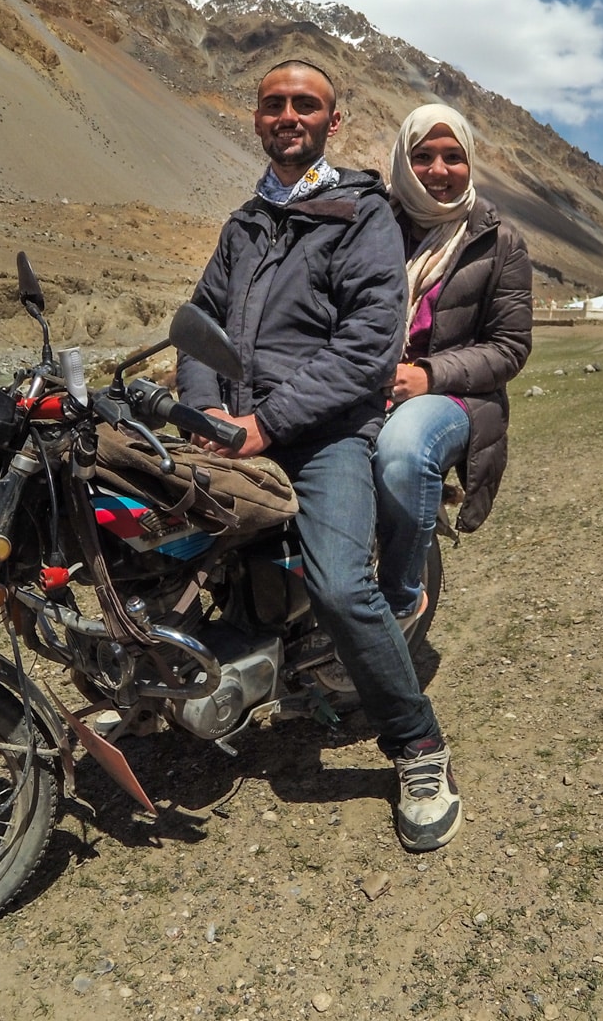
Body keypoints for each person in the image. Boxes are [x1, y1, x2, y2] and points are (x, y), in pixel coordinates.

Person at [176, 60, 462, 853]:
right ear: (258, 119)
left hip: (327, 432)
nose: (289, 115)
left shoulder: (360, 215)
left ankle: (417, 746)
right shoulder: (245, 223)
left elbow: (368, 347)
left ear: (335, 122)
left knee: (340, 582)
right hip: (236, 426)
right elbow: (201, 318)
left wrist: (268, 423)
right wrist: (203, 403)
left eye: (306, 105)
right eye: (275, 104)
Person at [374, 104, 532, 625]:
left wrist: (427, 376)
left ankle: (398, 603)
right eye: (422, 156)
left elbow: (509, 347)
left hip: (455, 396)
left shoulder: (499, 240)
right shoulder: (370, 227)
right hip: (365, 382)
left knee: (402, 452)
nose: (438, 171)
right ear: (402, 160)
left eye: (452, 157)